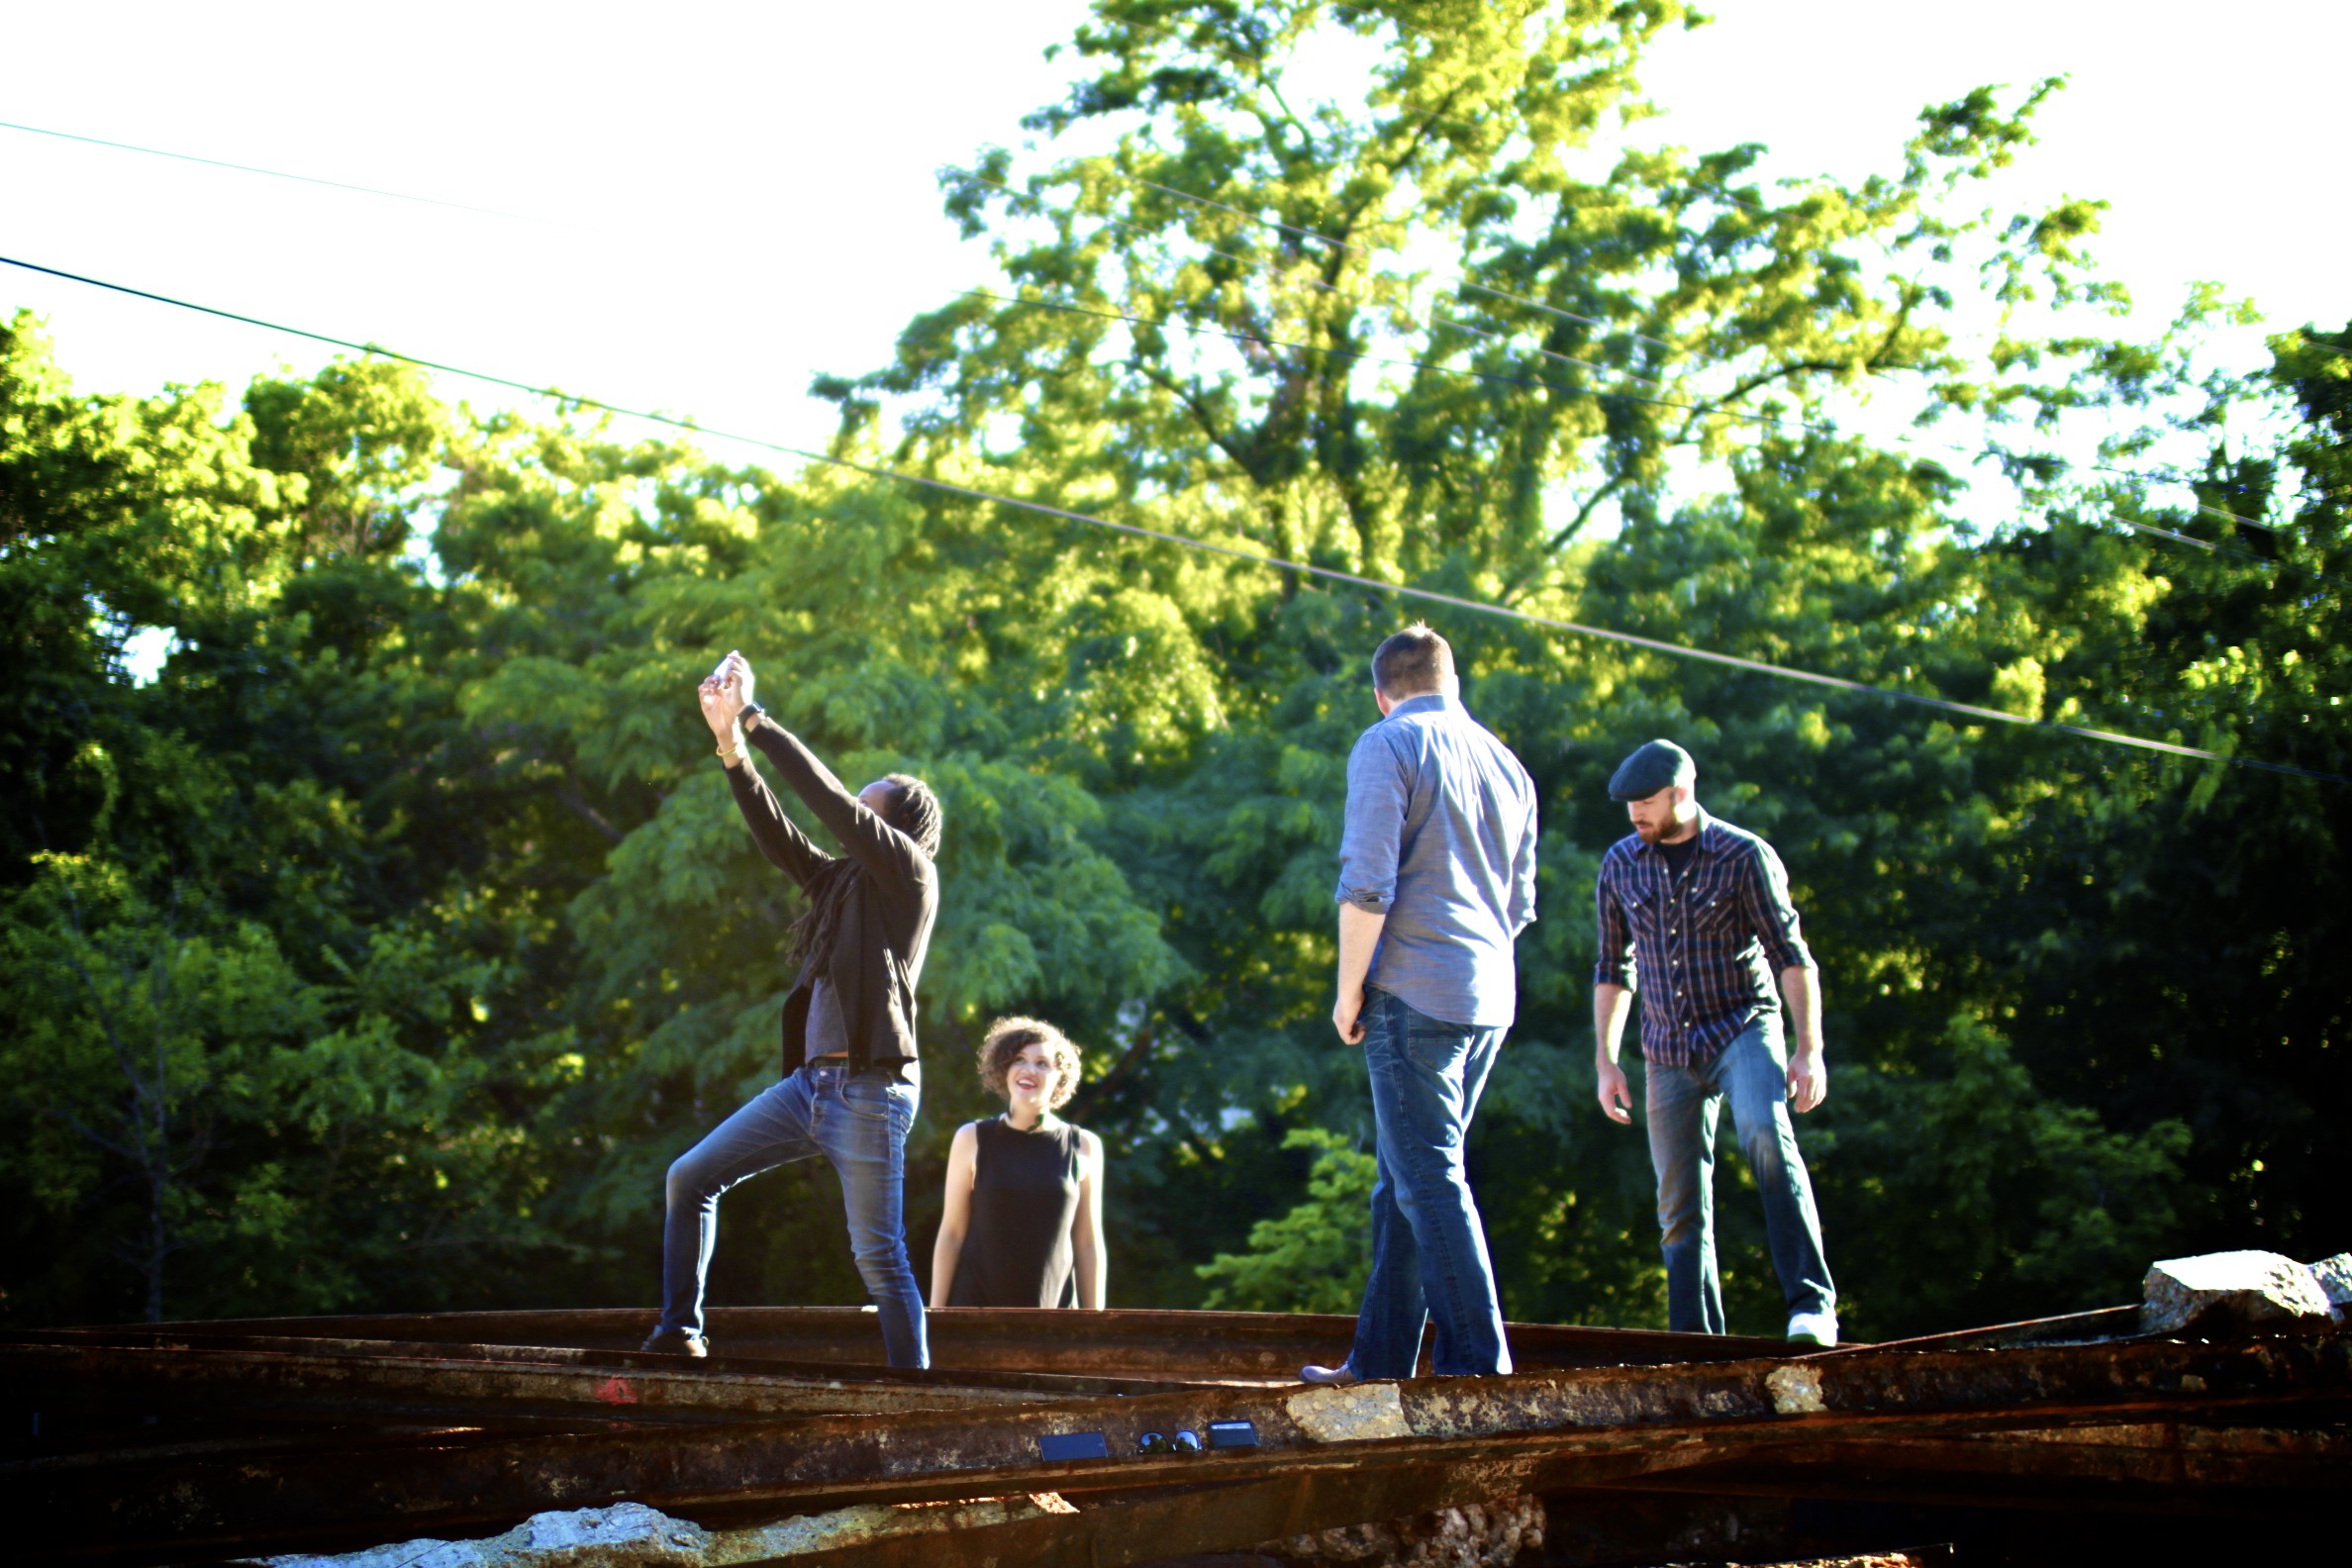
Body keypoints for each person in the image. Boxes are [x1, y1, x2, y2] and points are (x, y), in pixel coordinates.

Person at [639, 650, 941, 1365]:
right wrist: (730, 748)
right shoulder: (840, 885)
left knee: (879, 1258)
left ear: (896, 827)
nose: (851, 817)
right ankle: (682, 1332)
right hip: (809, 1087)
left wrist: (754, 716)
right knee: (689, 1178)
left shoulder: (910, 876)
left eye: (867, 809)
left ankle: (916, 1397)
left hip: (870, 1090)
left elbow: (826, 800)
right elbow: (779, 834)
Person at [1303, 624, 1539, 1385]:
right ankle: (1378, 1362)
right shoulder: (1506, 762)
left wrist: (1349, 991)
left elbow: (1367, 883)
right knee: (1403, 1181)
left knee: (1428, 1177)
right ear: (1452, 684)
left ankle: (1479, 1367)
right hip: (1487, 995)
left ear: (1382, 694)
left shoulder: (1388, 743)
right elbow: (1520, 904)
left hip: (1411, 991)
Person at [1591, 738, 1839, 1346]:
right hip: (1665, 1048)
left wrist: (1809, 1049)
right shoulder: (1621, 863)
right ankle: (1694, 1343)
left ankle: (1811, 1306)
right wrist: (1606, 1061)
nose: (1635, 814)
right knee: (1677, 1204)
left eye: (1646, 802)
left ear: (1681, 793)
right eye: (1628, 804)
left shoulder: (1743, 855)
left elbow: (1791, 955)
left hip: (1741, 1027)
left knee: (1765, 1136)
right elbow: (1613, 967)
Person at [930, 1017, 1107, 1309]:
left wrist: (1096, 1323)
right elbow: (951, 1234)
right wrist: (936, 1315)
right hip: (975, 1313)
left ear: (1060, 1078)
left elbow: (1088, 1243)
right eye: (1019, 1060)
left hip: (1055, 1317)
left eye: (1042, 1063)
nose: (1029, 1070)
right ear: (1004, 1068)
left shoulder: (1084, 1145)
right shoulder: (971, 1138)